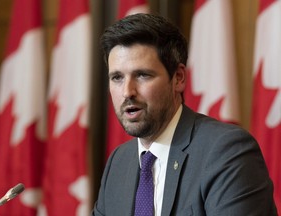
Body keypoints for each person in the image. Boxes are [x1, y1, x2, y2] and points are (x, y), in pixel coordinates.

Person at [92, 13, 277, 216]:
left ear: (178, 78)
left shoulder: (227, 152)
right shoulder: (119, 162)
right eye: (117, 77)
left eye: (143, 75)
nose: (127, 91)